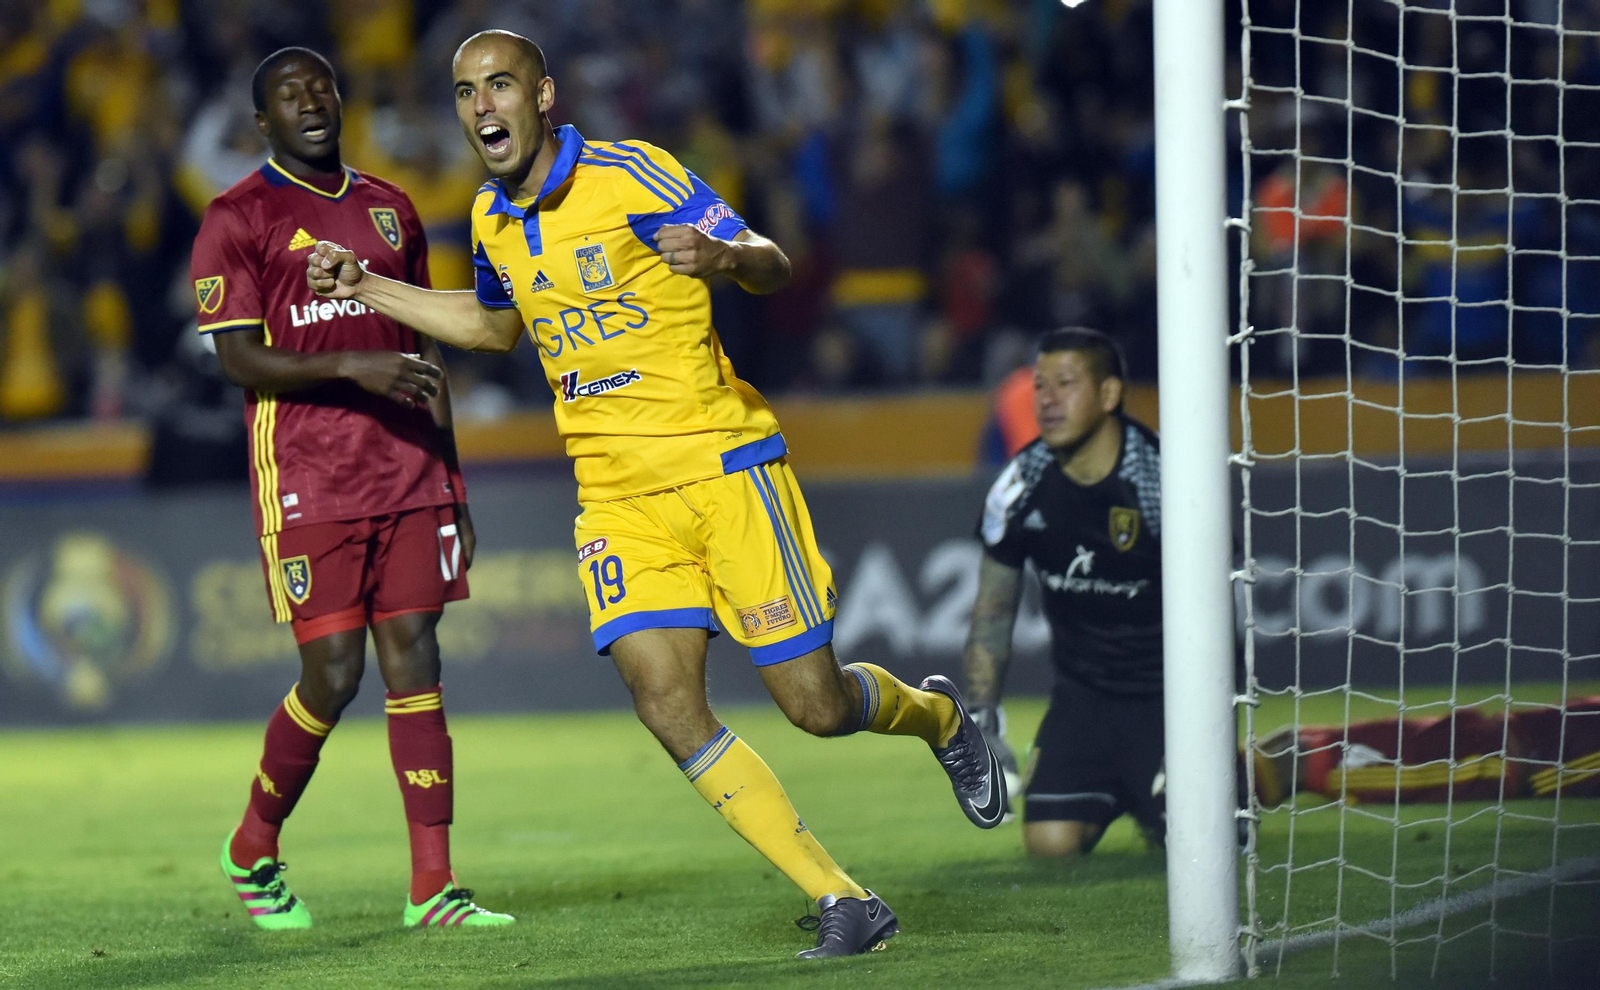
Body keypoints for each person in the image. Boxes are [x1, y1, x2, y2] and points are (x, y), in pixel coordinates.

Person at [304, 30, 1006, 959]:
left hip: (722, 471)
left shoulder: (635, 175)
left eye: (501, 86)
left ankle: (940, 716)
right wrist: (371, 287)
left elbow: (769, 259)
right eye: (467, 92)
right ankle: (844, 899)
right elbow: (489, 323)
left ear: (543, 95)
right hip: (617, 500)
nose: (482, 108)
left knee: (815, 707)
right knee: (667, 702)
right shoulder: (488, 219)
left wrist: (725, 260)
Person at [190, 47, 511, 930]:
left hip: (409, 470)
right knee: (332, 676)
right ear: (264, 123)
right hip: (309, 477)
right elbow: (237, 359)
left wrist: (453, 480)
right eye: (290, 96)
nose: (311, 103)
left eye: (321, 88)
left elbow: (428, 345)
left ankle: (433, 889)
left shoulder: (391, 205)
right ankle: (253, 845)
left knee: (417, 656)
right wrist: (351, 366)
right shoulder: (236, 217)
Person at [963, 327, 1166, 857]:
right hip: (1083, 698)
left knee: (1202, 852)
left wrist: (1211, 727)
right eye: (1040, 385)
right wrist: (983, 723)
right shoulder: (1020, 484)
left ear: (1109, 395)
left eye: (1066, 384)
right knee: (1049, 845)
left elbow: (1223, 611)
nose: (1047, 400)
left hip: (1170, 701)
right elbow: (992, 611)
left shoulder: (1162, 481)